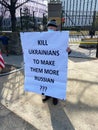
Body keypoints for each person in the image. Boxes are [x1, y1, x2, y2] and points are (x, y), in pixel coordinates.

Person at [42, 19, 71, 105]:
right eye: (49, 27)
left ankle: (55, 97)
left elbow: (65, 51)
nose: (50, 28)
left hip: (56, 64)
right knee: (46, 80)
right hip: (45, 64)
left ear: (55, 28)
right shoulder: (43, 36)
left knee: (54, 80)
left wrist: (68, 51)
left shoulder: (61, 38)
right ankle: (47, 95)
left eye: (52, 27)